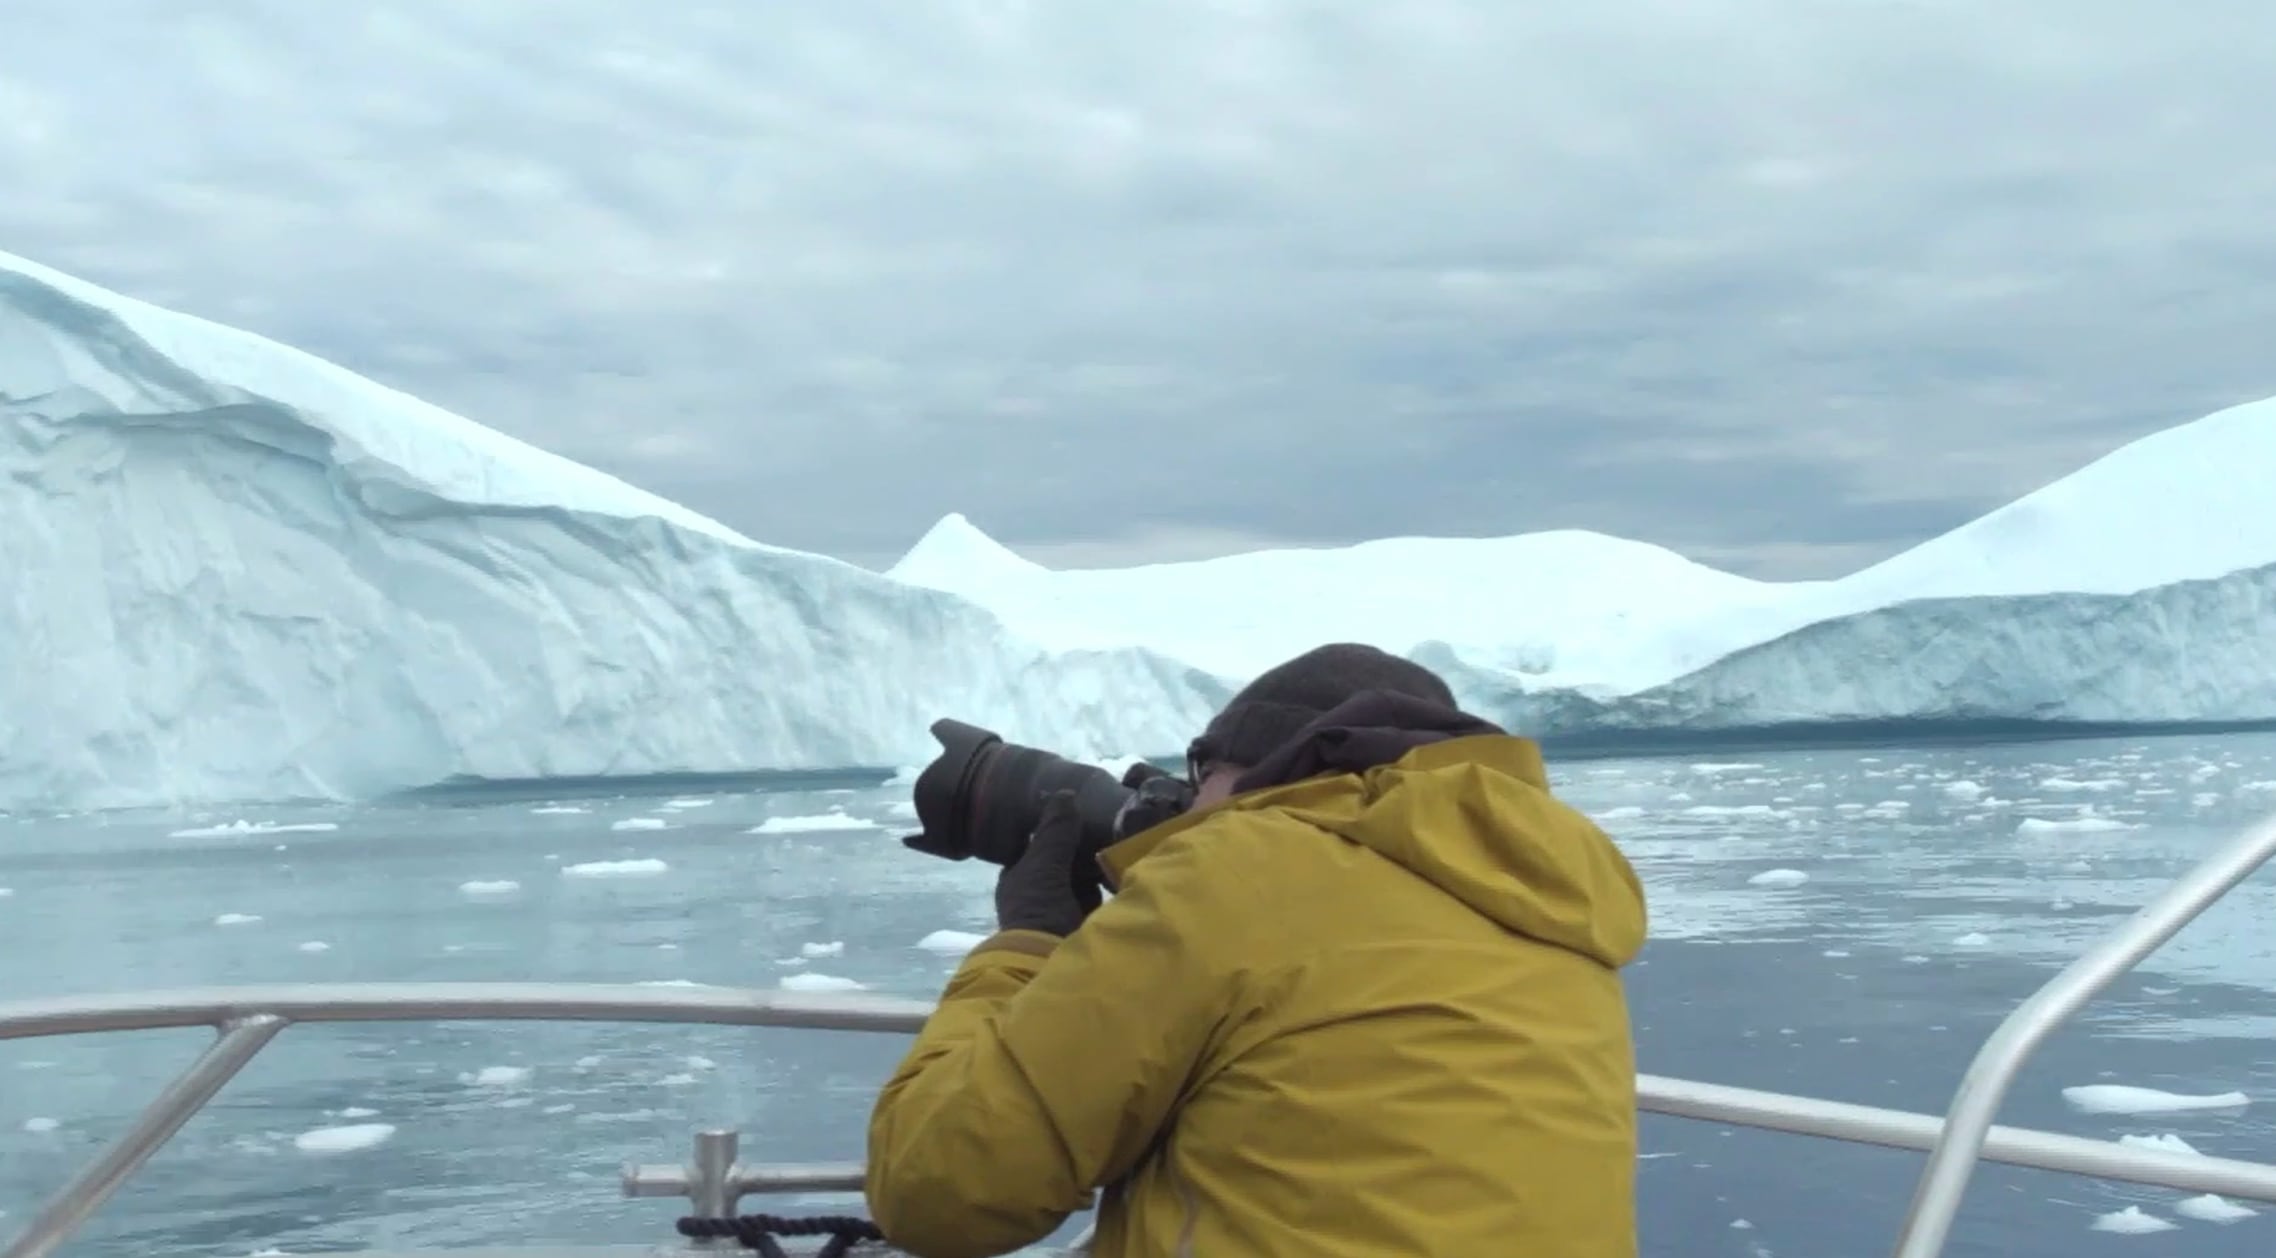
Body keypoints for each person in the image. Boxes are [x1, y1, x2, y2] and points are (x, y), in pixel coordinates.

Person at [865, 643, 1648, 1258]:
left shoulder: (1235, 873)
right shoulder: (1543, 888)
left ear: (1259, 772)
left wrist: (1028, 941)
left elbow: (941, 1188)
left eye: (1200, 770)